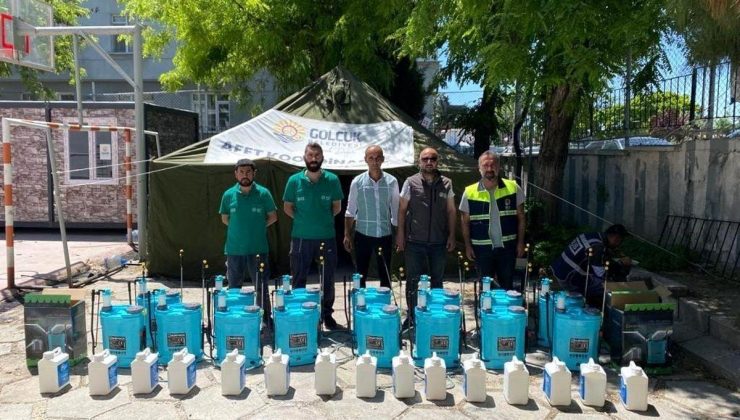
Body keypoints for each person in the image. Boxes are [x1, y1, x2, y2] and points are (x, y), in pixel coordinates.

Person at [283, 142, 344, 329]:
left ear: (322, 157)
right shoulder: (294, 181)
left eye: (317, 155)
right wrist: (305, 221)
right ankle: (300, 314)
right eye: (310, 155)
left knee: (327, 278)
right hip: (301, 237)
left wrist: (320, 221)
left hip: (326, 237)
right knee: (298, 277)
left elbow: (336, 207)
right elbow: (288, 208)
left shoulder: (332, 179)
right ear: (304, 157)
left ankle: (327, 315)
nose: (314, 158)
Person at [396, 147, 456, 322]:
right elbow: (401, 210)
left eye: (433, 158)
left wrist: (452, 235)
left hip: (439, 241)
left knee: (437, 281)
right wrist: (400, 235)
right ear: (419, 162)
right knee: (413, 281)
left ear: (438, 161)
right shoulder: (410, 182)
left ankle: (434, 316)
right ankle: (412, 318)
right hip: (414, 242)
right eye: (425, 159)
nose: (429, 162)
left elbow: (451, 211)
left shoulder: (447, 183)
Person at [219, 158, 277, 327]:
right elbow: (225, 218)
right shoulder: (228, 195)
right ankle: (235, 319)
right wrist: (241, 230)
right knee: (234, 287)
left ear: (254, 173)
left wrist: (258, 227)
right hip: (234, 249)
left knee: (261, 286)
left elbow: (273, 217)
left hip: (258, 249)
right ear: (236, 174)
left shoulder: (264, 193)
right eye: (241, 172)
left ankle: (265, 319)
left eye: (248, 172)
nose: (245, 175)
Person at [459, 151, 525, 290]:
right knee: (486, 288)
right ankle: (486, 311)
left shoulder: (513, 187)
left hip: (507, 247)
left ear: (499, 166)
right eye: (485, 165)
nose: (489, 169)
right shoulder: (469, 191)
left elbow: (521, 218)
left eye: (493, 165)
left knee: (507, 285)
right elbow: (465, 222)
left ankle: (506, 311)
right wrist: (468, 246)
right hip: (481, 248)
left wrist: (520, 243)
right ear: (479, 168)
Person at [343, 145, 400, 288]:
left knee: (385, 274)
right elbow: (350, 210)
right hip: (363, 234)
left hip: (385, 234)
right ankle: (360, 306)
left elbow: (395, 210)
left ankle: (385, 308)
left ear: (383, 159)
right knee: (360, 274)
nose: (375, 161)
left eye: (378, 158)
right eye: (371, 158)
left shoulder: (392, 181)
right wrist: (347, 235)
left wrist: (399, 235)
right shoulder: (357, 182)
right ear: (365, 160)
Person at [550, 224, 632, 307]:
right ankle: (596, 308)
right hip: (567, 279)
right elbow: (601, 274)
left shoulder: (592, 236)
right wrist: (620, 264)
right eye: (620, 240)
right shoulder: (598, 247)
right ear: (616, 238)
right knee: (608, 286)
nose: (619, 243)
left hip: (558, 269)